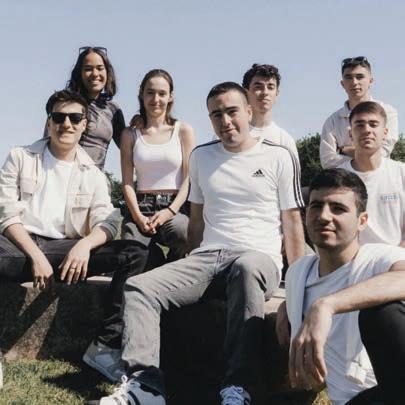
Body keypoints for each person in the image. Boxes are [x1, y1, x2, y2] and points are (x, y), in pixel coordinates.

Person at [91, 82, 305, 405]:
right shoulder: (202, 156)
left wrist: (298, 292)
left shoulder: (279, 156)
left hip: (257, 257)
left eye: (232, 111)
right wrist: (188, 264)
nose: (225, 121)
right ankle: (145, 387)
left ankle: (238, 387)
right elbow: (196, 223)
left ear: (249, 111)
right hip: (208, 257)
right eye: (216, 114)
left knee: (246, 268)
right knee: (139, 287)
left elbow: (292, 224)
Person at [0, 90, 148, 382]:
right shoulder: (20, 157)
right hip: (19, 247)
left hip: (65, 253)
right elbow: (6, 214)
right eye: (59, 117)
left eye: (74, 118)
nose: (66, 124)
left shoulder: (92, 173)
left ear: (84, 125)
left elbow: (108, 220)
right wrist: (36, 255)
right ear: (49, 122)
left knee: (135, 253)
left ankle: (104, 347)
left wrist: (84, 245)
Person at [279, 169, 405, 404]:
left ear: (362, 221)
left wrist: (327, 305)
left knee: (382, 313)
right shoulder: (299, 274)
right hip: (351, 401)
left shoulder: (377, 259)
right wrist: (286, 306)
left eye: (338, 208)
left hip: (389, 391)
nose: (324, 216)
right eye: (316, 206)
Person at [120, 68, 195, 262]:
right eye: (150, 92)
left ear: (170, 97)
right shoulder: (130, 134)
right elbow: (127, 182)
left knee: (184, 232)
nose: (156, 99)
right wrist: (138, 217)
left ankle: (173, 267)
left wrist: (170, 211)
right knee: (130, 247)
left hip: (175, 206)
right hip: (141, 206)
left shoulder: (183, 130)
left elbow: (189, 178)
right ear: (141, 94)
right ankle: (154, 264)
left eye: (162, 93)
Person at [45, 46, 125, 170]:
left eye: (100, 68)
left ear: (107, 72)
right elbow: (47, 143)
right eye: (88, 69)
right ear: (79, 73)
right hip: (61, 174)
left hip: (93, 178)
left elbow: (128, 147)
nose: (95, 74)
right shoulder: (65, 104)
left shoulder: (113, 110)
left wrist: (141, 122)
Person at [339, 101, 405, 246]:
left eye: (373, 124)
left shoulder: (401, 173)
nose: (367, 130)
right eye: (360, 125)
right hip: (354, 258)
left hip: (398, 256)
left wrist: (396, 256)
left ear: (385, 132)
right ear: (350, 133)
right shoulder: (338, 177)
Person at [320, 56, 398, 169]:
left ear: (371, 81)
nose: (354, 82)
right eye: (348, 77)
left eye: (360, 77)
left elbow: (382, 153)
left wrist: (343, 150)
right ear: (342, 83)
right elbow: (327, 162)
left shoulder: (388, 112)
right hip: (346, 179)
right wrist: (364, 155)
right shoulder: (332, 121)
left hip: (380, 177)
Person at [242, 63, 299, 159]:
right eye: (258, 87)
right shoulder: (230, 134)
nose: (265, 92)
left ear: (277, 93)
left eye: (270, 87)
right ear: (245, 92)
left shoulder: (285, 141)